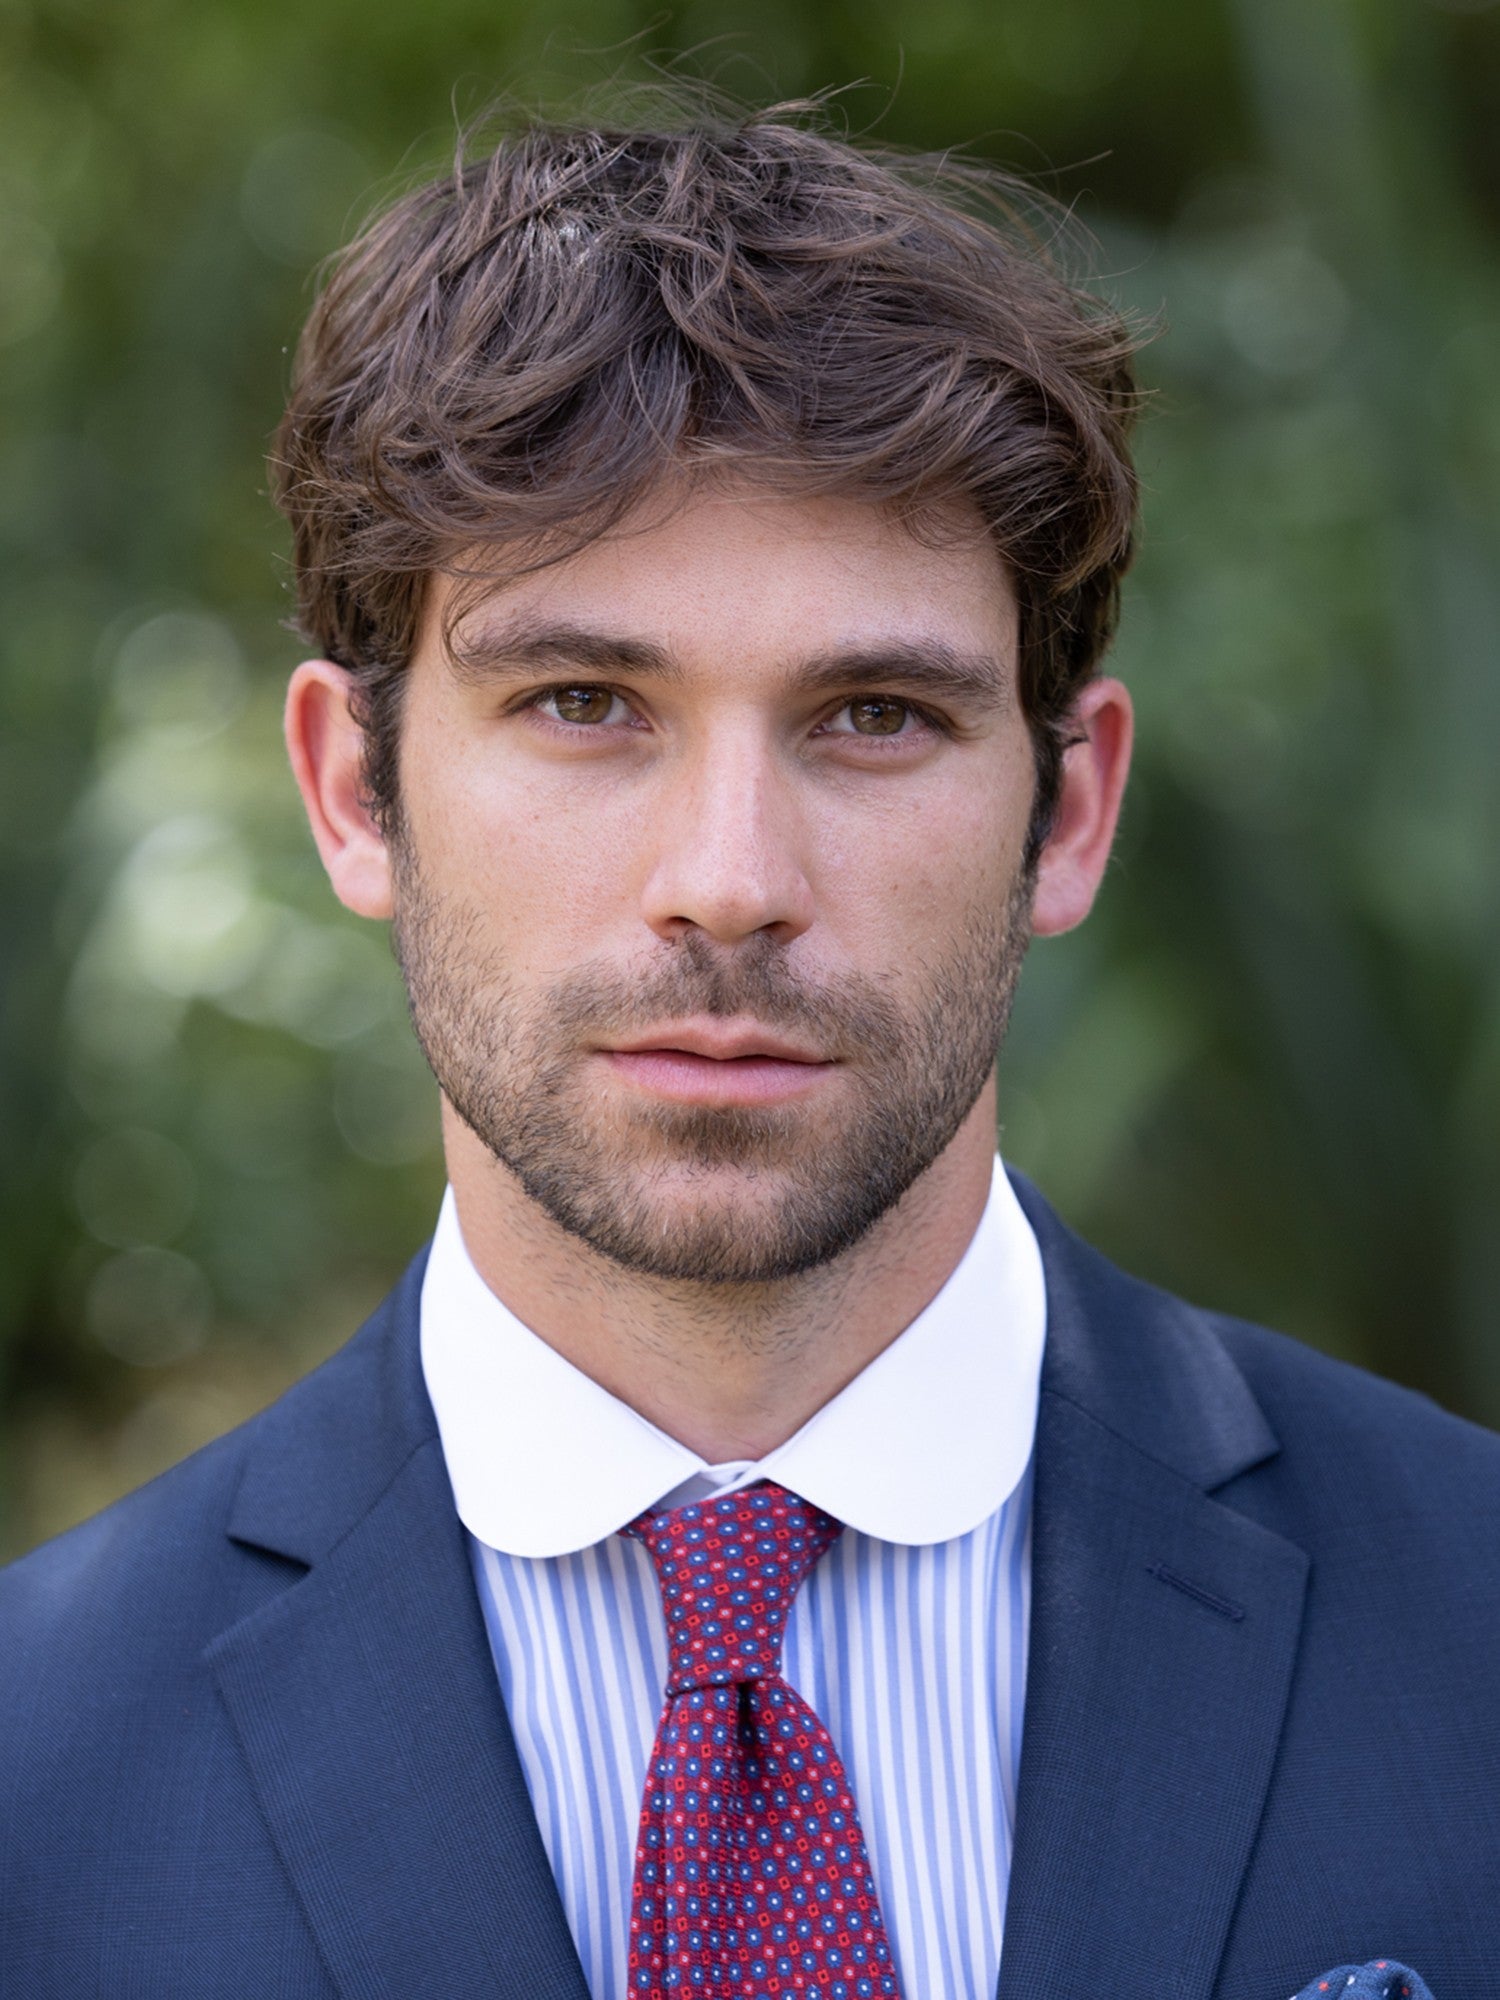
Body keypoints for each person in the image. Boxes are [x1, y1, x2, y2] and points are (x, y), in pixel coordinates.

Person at [1, 100, 1495, 2000]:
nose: (728, 883)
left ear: (1069, 811)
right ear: (352, 790)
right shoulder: (28, 1779)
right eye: (581, 701)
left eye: (873, 714)